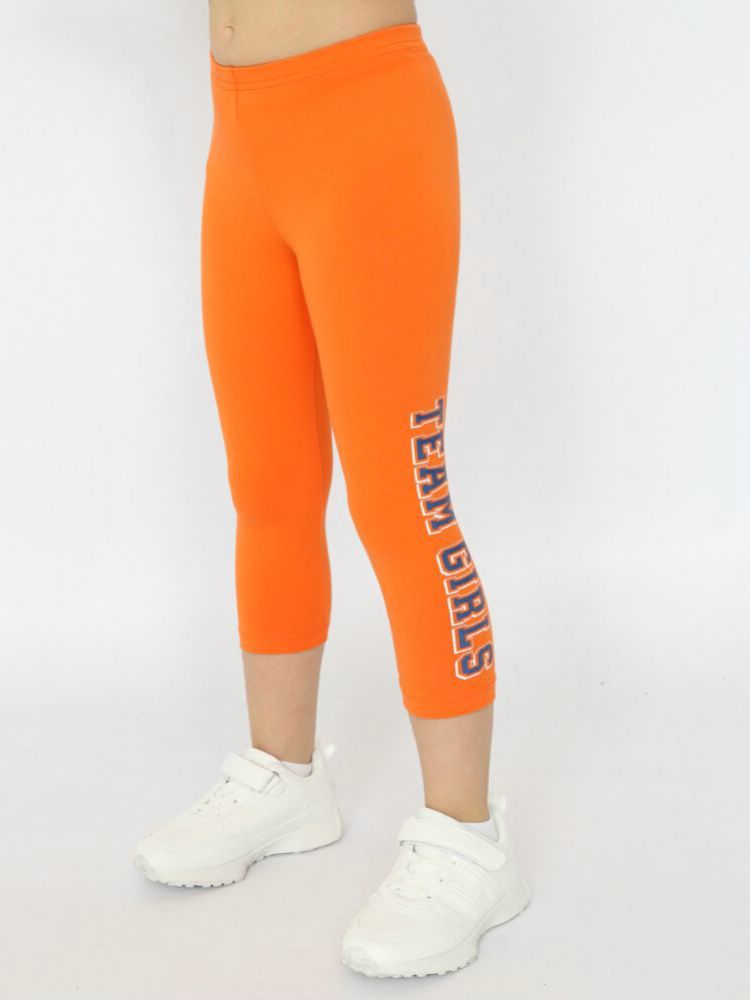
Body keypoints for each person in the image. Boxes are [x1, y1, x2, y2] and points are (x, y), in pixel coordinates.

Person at [134, 0, 531, 978]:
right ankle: (285, 777)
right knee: (268, 481)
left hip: (366, 121)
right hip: (241, 131)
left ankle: (468, 838)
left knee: (401, 499)